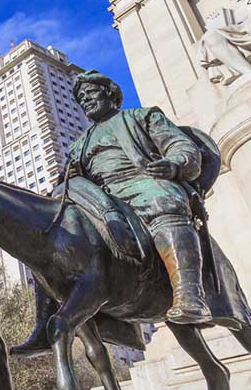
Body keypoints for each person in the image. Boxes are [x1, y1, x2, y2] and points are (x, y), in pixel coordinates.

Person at [13, 70, 211, 356]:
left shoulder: (141, 117)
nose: (86, 101)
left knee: (161, 204)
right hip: (104, 200)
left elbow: (182, 146)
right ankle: (46, 322)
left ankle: (190, 294)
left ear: (110, 93)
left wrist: (174, 165)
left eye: (91, 93)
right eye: (81, 99)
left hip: (146, 181)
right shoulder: (80, 144)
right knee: (49, 239)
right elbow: (70, 176)